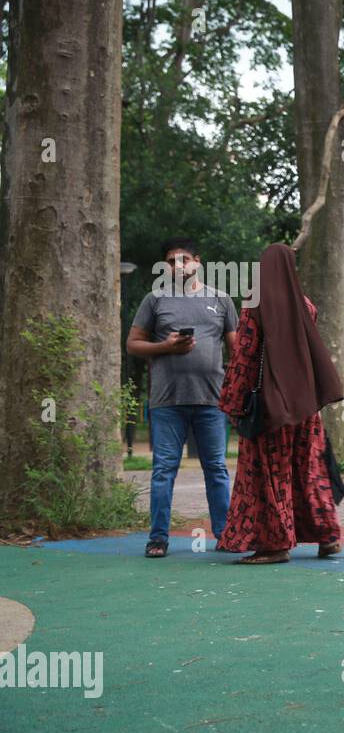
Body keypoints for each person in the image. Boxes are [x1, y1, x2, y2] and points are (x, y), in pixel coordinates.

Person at [217, 243, 344, 564]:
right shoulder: (306, 305)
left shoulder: (255, 302)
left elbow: (243, 355)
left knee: (268, 474)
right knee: (310, 471)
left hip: (271, 407)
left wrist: (233, 401)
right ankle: (328, 536)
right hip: (306, 406)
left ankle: (274, 544)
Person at [127, 237, 238, 558]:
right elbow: (133, 344)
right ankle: (158, 539)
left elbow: (238, 349)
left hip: (212, 402)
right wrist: (165, 346)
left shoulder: (220, 300)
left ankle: (226, 534)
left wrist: (236, 389)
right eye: (172, 261)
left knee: (216, 468)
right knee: (163, 470)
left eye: (184, 259)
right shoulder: (154, 300)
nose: (178, 265)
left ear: (197, 262)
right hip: (167, 402)